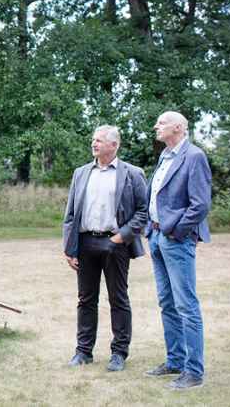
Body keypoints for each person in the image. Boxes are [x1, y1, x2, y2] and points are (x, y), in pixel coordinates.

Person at [62, 125, 149, 372]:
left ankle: (119, 353)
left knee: (118, 299)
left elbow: (143, 211)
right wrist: (69, 248)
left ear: (114, 145)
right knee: (85, 299)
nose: (94, 144)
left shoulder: (132, 173)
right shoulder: (80, 173)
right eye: (93, 140)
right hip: (85, 243)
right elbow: (70, 214)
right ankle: (83, 352)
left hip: (116, 244)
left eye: (99, 140)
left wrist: (122, 237)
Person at [144, 111, 212, 390]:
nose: (156, 126)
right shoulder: (165, 155)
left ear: (178, 127)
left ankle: (193, 372)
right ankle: (174, 361)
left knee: (186, 306)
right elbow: (156, 195)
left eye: (160, 122)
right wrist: (153, 228)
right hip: (157, 236)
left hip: (175, 238)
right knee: (167, 303)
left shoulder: (194, 156)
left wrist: (176, 231)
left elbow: (200, 205)